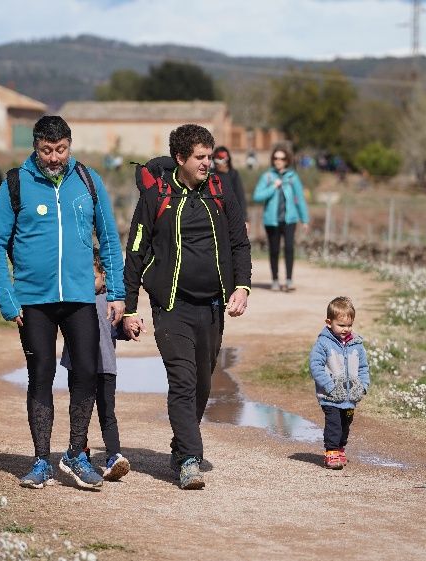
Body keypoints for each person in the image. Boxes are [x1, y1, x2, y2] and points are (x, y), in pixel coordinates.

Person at [0, 115, 125, 491]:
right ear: (35, 147)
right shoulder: (16, 183)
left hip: (81, 297)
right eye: (46, 150)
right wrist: (7, 297)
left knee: (85, 371)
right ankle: (41, 460)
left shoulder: (87, 180)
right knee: (41, 376)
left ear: (69, 146)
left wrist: (116, 292)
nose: (53, 157)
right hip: (33, 300)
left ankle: (76, 454)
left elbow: (110, 239)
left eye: (60, 150)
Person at [122, 124, 251, 490]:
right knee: (182, 380)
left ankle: (181, 448)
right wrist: (130, 307)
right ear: (180, 158)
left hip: (211, 306)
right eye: (200, 157)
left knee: (202, 383)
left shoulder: (220, 191)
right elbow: (135, 253)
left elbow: (240, 244)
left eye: (210, 157)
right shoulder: (155, 195)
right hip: (171, 306)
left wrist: (241, 287)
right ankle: (190, 459)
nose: (208, 164)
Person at [60, 248, 130, 481]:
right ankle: (80, 450)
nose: (86, 282)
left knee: (107, 413)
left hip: (105, 368)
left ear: (104, 276)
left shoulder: (112, 302)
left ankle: (113, 457)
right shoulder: (72, 301)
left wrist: (131, 328)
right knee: (80, 411)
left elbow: (120, 330)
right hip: (78, 368)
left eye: (92, 277)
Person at [308, 297, 370, 470]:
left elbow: (364, 367)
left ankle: (341, 447)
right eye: (341, 325)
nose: (346, 329)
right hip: (331, 396)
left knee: (345, 423)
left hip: (351, 396)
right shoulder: (323, 343)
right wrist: (330, 386)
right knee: (334, 423)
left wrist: (363, 385)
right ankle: (331, 451)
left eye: (349, 325)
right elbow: (316, 366)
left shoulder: (356, 344)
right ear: (329, 322)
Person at [252, 145, 309, 292]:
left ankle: (289, 281)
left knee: (289, 248)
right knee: (274, 250)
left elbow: (300, 199)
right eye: (276, 158)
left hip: (290, 220)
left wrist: (305, 219)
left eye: (282, 158)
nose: (278, 161)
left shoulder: (293, 177)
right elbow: (257, 196)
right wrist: (273, 187)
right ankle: (275, 280)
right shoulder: (268, 177)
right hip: (272, 221)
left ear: (287, 160)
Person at [212, 146, 248, 231]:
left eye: (222, 158)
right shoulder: (211, 175)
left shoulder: (233, 174)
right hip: (216, 217)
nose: (220, 162)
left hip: (232, 217)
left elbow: (240, 197)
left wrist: (245, 219)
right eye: (217, 159)